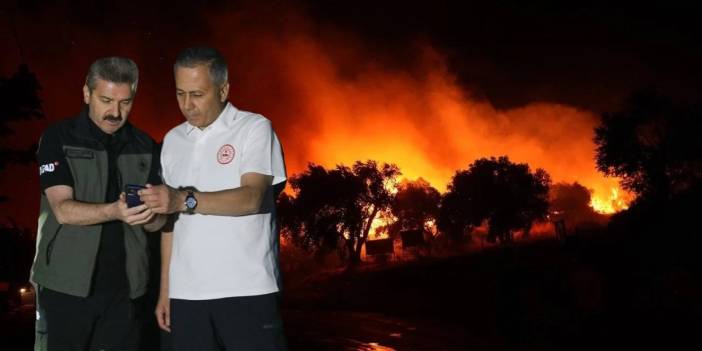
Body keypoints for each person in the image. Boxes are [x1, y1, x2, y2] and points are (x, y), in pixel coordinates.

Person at [140, 46, 288, 351]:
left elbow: (252, 198)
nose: (187, 105)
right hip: (186, 296)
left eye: (197, 94)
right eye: (180, 93)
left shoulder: (254, 128)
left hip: (246, 289)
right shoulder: (172, 140)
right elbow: (171, 224)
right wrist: (165, 290)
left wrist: (184, 200)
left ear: (223, 90)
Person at [30, 57, 167, 351]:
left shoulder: (145, 145)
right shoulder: (58, 137)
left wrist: (152, 214)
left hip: (128, 289)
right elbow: (63, 209)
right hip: (66, 285)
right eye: (106, 100)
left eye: (126, 102)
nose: (115, 112)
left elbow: (158, 223)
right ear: (86, 93)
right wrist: (115, 210)